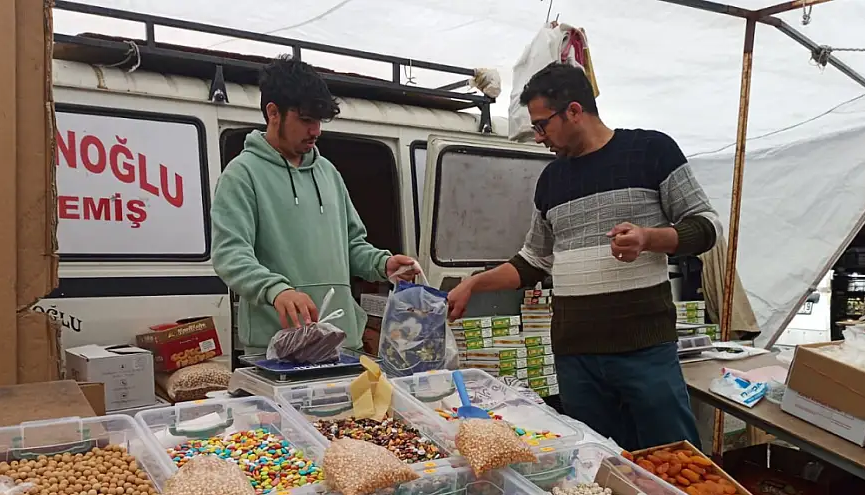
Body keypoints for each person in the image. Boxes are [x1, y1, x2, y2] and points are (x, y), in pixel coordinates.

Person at [447, 63, 720, 450]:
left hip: (644, 353)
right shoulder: (552, 180)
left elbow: (707, 225)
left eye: (542, 125)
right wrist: (474, 283)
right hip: (576, 359)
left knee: (673, 461)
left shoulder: (651, 151)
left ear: (574, 111)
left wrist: (649, 237)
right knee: (595, 466)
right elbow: (532, 261)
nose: (539, 137)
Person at [211, 56, 417, 356]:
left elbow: (352, 246)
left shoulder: (329, 173)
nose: (316, 130)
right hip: (278, 351)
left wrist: (383, 264)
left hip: (344, 345)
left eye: (319, 121)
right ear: (273, 113)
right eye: (306, 120)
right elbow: (230, 254)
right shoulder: (241, 175)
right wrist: (276, 290)